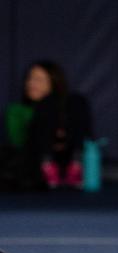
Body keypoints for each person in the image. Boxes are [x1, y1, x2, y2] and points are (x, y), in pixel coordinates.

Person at [1, 60, 92, 190]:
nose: (31, 84)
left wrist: (62, 135)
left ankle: (77, 164)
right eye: (29, 79)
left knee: (76, 100)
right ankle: (47, 165)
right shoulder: (17, 110)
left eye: (38, 80)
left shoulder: (69, 106)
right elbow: (18, 143)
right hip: (34, 158)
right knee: (47, 104)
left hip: (66, 154)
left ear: (53, 83)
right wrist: (46, 134)